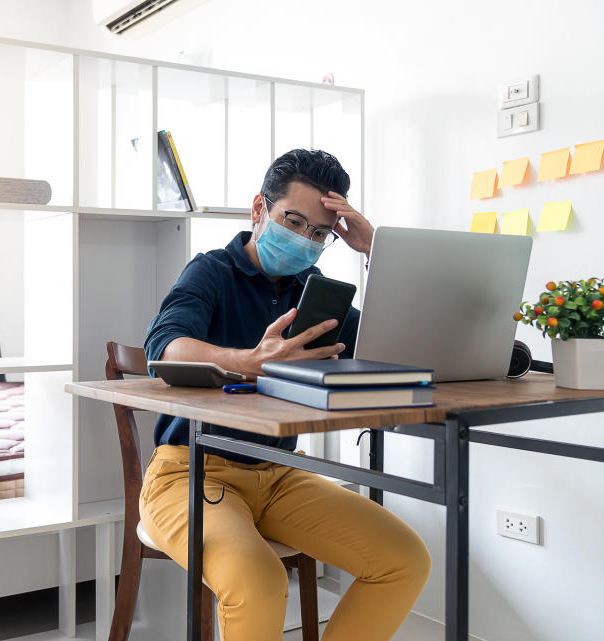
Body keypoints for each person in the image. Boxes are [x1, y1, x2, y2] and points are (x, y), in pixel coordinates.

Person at [141, 149, 431, 641]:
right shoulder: (211, 271)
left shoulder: (315, 295)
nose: (304, 239)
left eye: (320, 233)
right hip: (190, 469)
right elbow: (164, 345)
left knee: (403, 560)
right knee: (258, 580)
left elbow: (400, 348)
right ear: (259, 210)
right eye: (293, 221)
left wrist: (376, 251)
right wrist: (248, 361)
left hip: (278, 474)